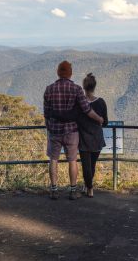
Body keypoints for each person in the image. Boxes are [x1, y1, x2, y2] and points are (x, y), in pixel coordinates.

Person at [43, 61, 104, 200]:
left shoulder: (49, 89)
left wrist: (49, 127)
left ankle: (54, 190)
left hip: (54, 131)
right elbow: (87, 110)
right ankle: (73, 190)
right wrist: (99, 119)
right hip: (72, 131)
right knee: (72, 161)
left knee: (53, 160)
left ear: (58, 72)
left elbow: (46, 113)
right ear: (70, 73)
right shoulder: (76, 89)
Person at [77, 73, 108, 197]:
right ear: (94, 87)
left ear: (84, 87)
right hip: (97, 137)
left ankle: (89, 187)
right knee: (92, 165)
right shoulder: (101, 102)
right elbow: (105, 122)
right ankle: (88, 186)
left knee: (86, 166)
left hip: (83, 137)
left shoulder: (80, 103)